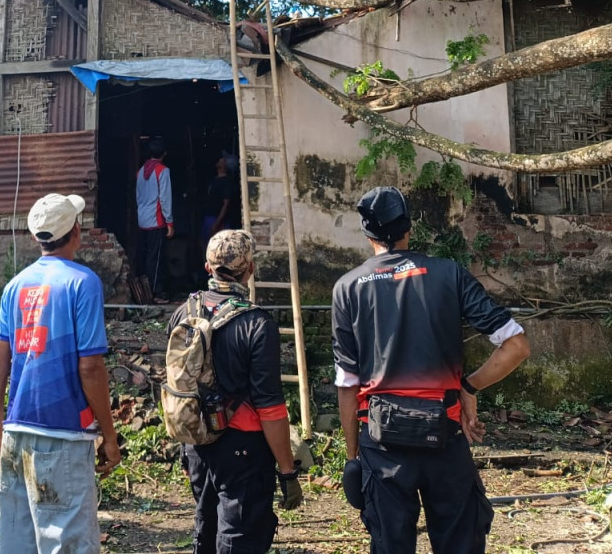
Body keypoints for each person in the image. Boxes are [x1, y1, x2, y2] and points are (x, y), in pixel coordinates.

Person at [333, 187, 531, 554]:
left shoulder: (347, 288)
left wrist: (351, 458)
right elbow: (516, 346)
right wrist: (468, 388)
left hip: (382, 446)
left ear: (367, 234)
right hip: (445, 437)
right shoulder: (447, 274)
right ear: (409, 228)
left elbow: (347, 383)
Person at [0, 192, 120, 554]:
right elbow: (90, 366)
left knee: (18, 543)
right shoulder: (83, 282)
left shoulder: (15, 286)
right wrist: (108, 435)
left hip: (17, 432)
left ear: (36, 238)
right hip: (62, 435)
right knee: (67, 543)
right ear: (76, 231)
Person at [170, 229, 303, 554]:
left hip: (198, 445)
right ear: (250, 269)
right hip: (243, 450)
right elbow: (270, 409)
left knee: (207, 528)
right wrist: (287, 471)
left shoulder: (184, 312)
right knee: (241, 536)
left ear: (207, 267)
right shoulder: (257, 325)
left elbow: (177, 386)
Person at [135, 137, 174, 302]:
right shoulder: (162, 170)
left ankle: (146, 291)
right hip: (156, 220)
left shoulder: (140, 171)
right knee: (155, 258)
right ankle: (155, 293)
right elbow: (165, 198)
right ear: (164, 154)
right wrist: (170, 222)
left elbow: (137, 197)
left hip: (142, 219)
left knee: (147, 256)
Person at [201, 152, 242, 241]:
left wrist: (216, 224)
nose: (222, 160)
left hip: (219, 221)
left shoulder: (227, 182)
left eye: (224, 160)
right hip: (209, 218)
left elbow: (226, 205)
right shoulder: (213, 180)